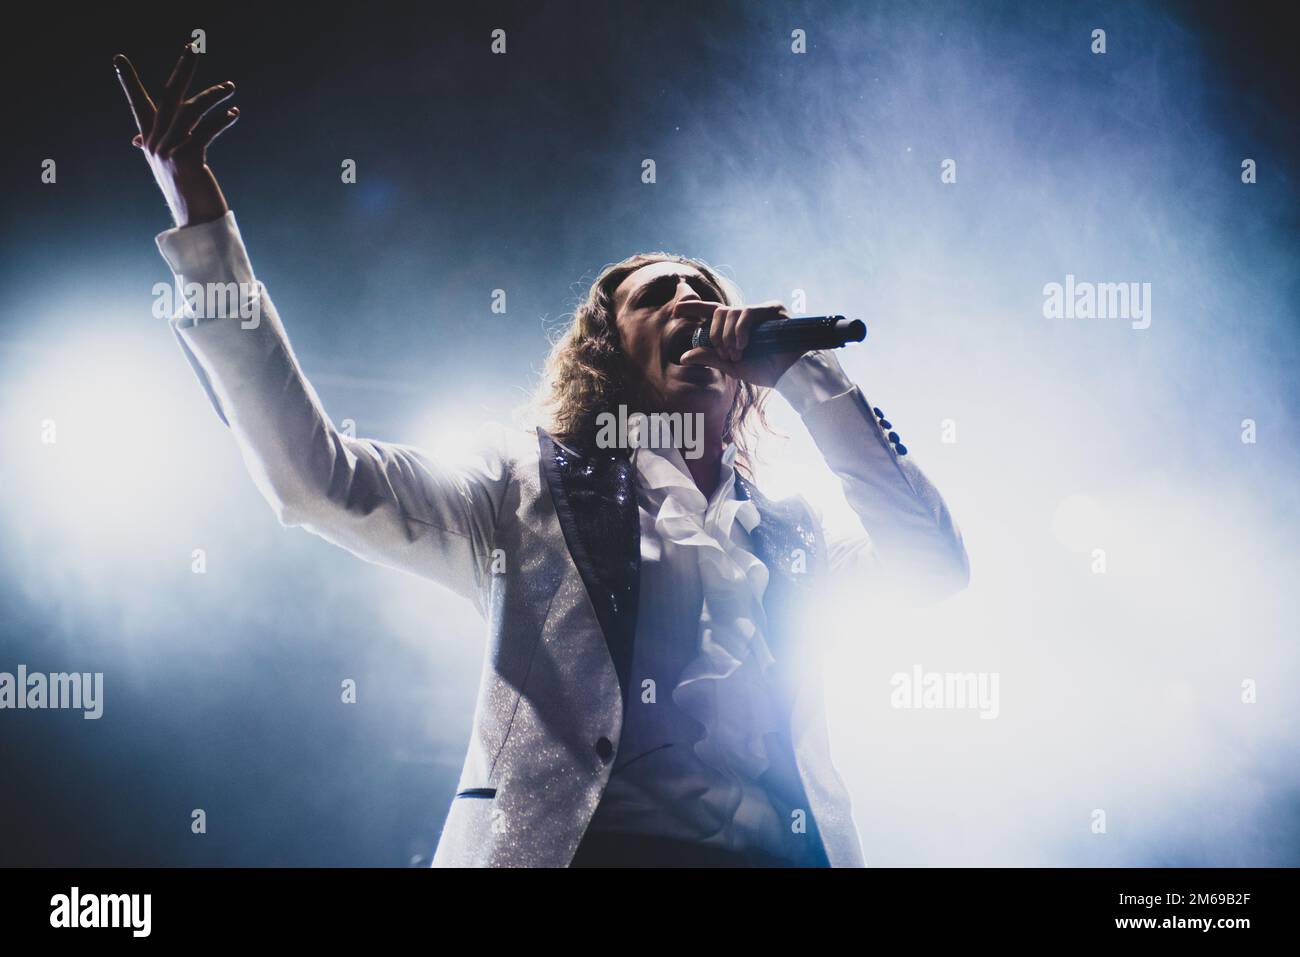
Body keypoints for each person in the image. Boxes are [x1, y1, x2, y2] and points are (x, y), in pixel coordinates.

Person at [114, 43, 969, 867]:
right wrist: (200, 224)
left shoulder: (789, 533)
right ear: (606, 351)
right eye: (659, 293)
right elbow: (317, 479)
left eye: (706, 292)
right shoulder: (521, 487)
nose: (692, 302)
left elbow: (934, 568)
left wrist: (813, 381)